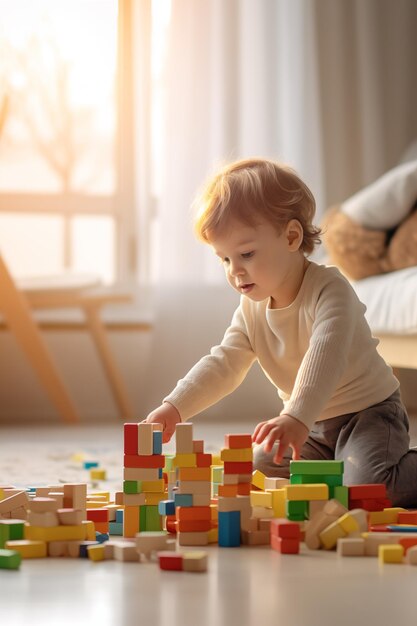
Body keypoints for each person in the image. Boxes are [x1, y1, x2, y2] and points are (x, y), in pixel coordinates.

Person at [144, 157, 417, 507]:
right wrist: (175, 407)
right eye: (224, 259)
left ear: (291, 237)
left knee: (371, 490)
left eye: (245, 253)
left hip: (367, 416)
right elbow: (224, 364)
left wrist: (294, 416)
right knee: (258, 474)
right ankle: (338, 471)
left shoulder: (331, 289)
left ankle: (368, 469)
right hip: (311, 428)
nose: (234, 271)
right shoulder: (251, 309)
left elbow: (326, 356)